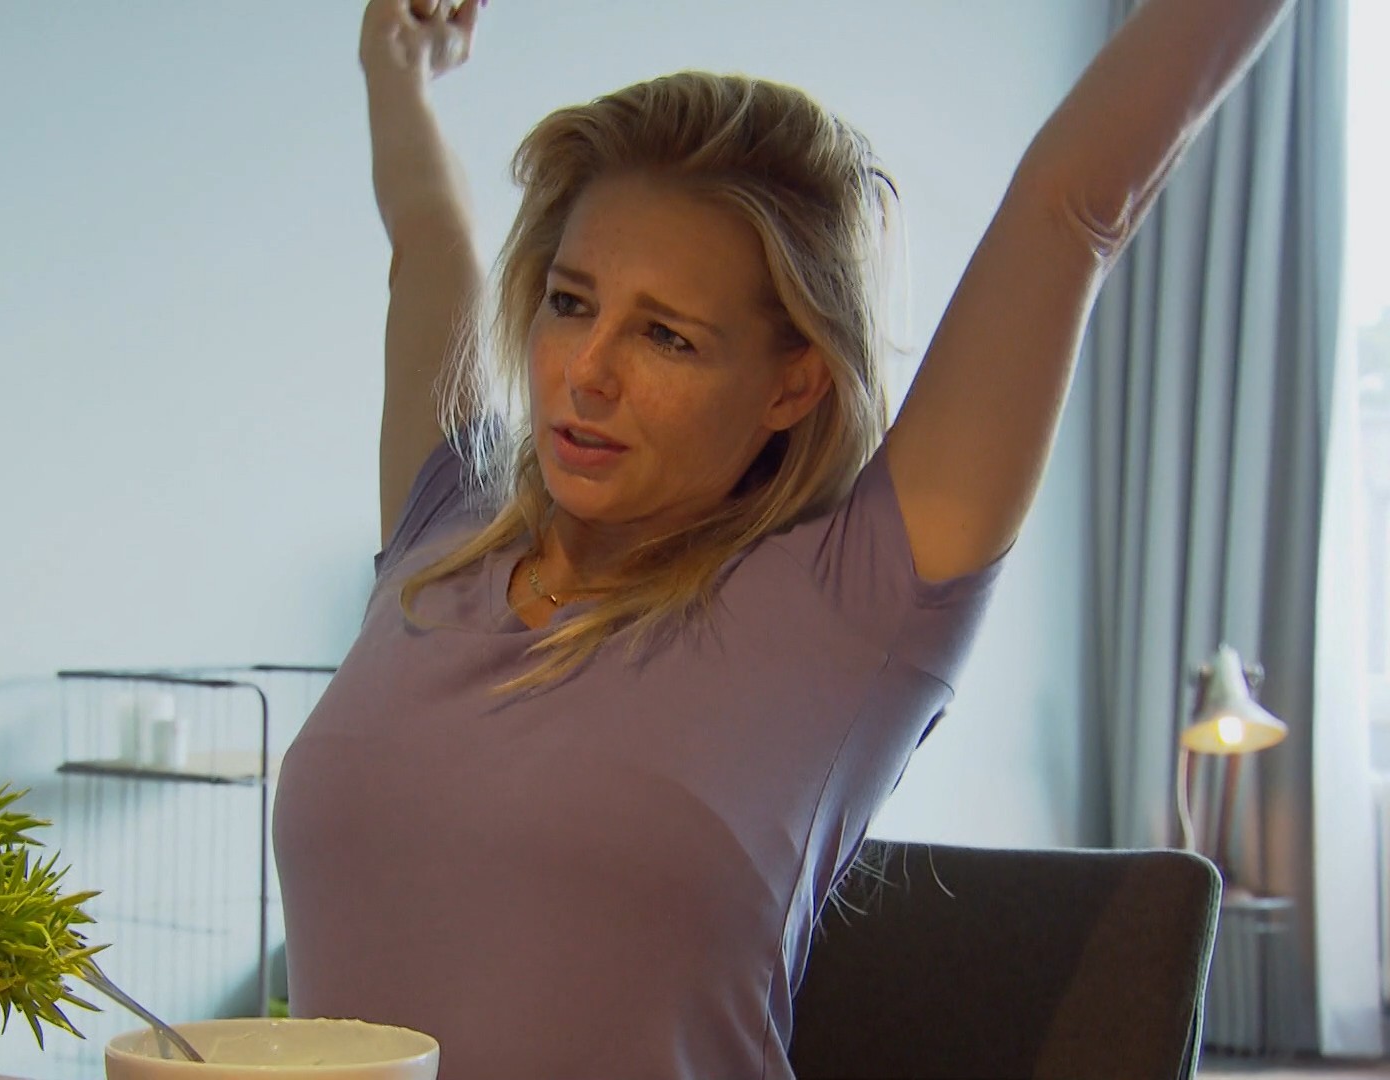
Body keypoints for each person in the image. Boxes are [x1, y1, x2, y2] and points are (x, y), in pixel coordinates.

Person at [271, 1, 1297, 1076]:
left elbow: (1073, 206)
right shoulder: (443, 528)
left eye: (666, 335)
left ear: (792, 382)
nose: (588, 371)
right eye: (571, 304)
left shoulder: (855, 604)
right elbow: (426, 241)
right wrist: (397, 66)